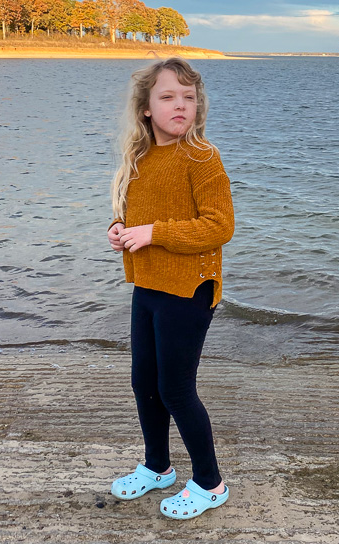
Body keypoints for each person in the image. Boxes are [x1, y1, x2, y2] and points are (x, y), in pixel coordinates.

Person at [106, 57, 235, 520]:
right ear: (145, 108)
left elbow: (220, 226)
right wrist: (119, 228)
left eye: (189, 97)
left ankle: (209, 483)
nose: (180, 105)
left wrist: (153, 232)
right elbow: (135, 214)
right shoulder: (140, 157)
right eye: (168, 96)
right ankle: (157, 466)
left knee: (177, 388)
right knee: (145, 383)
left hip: (189, 289)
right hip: (148, 285)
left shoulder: (201, 156)